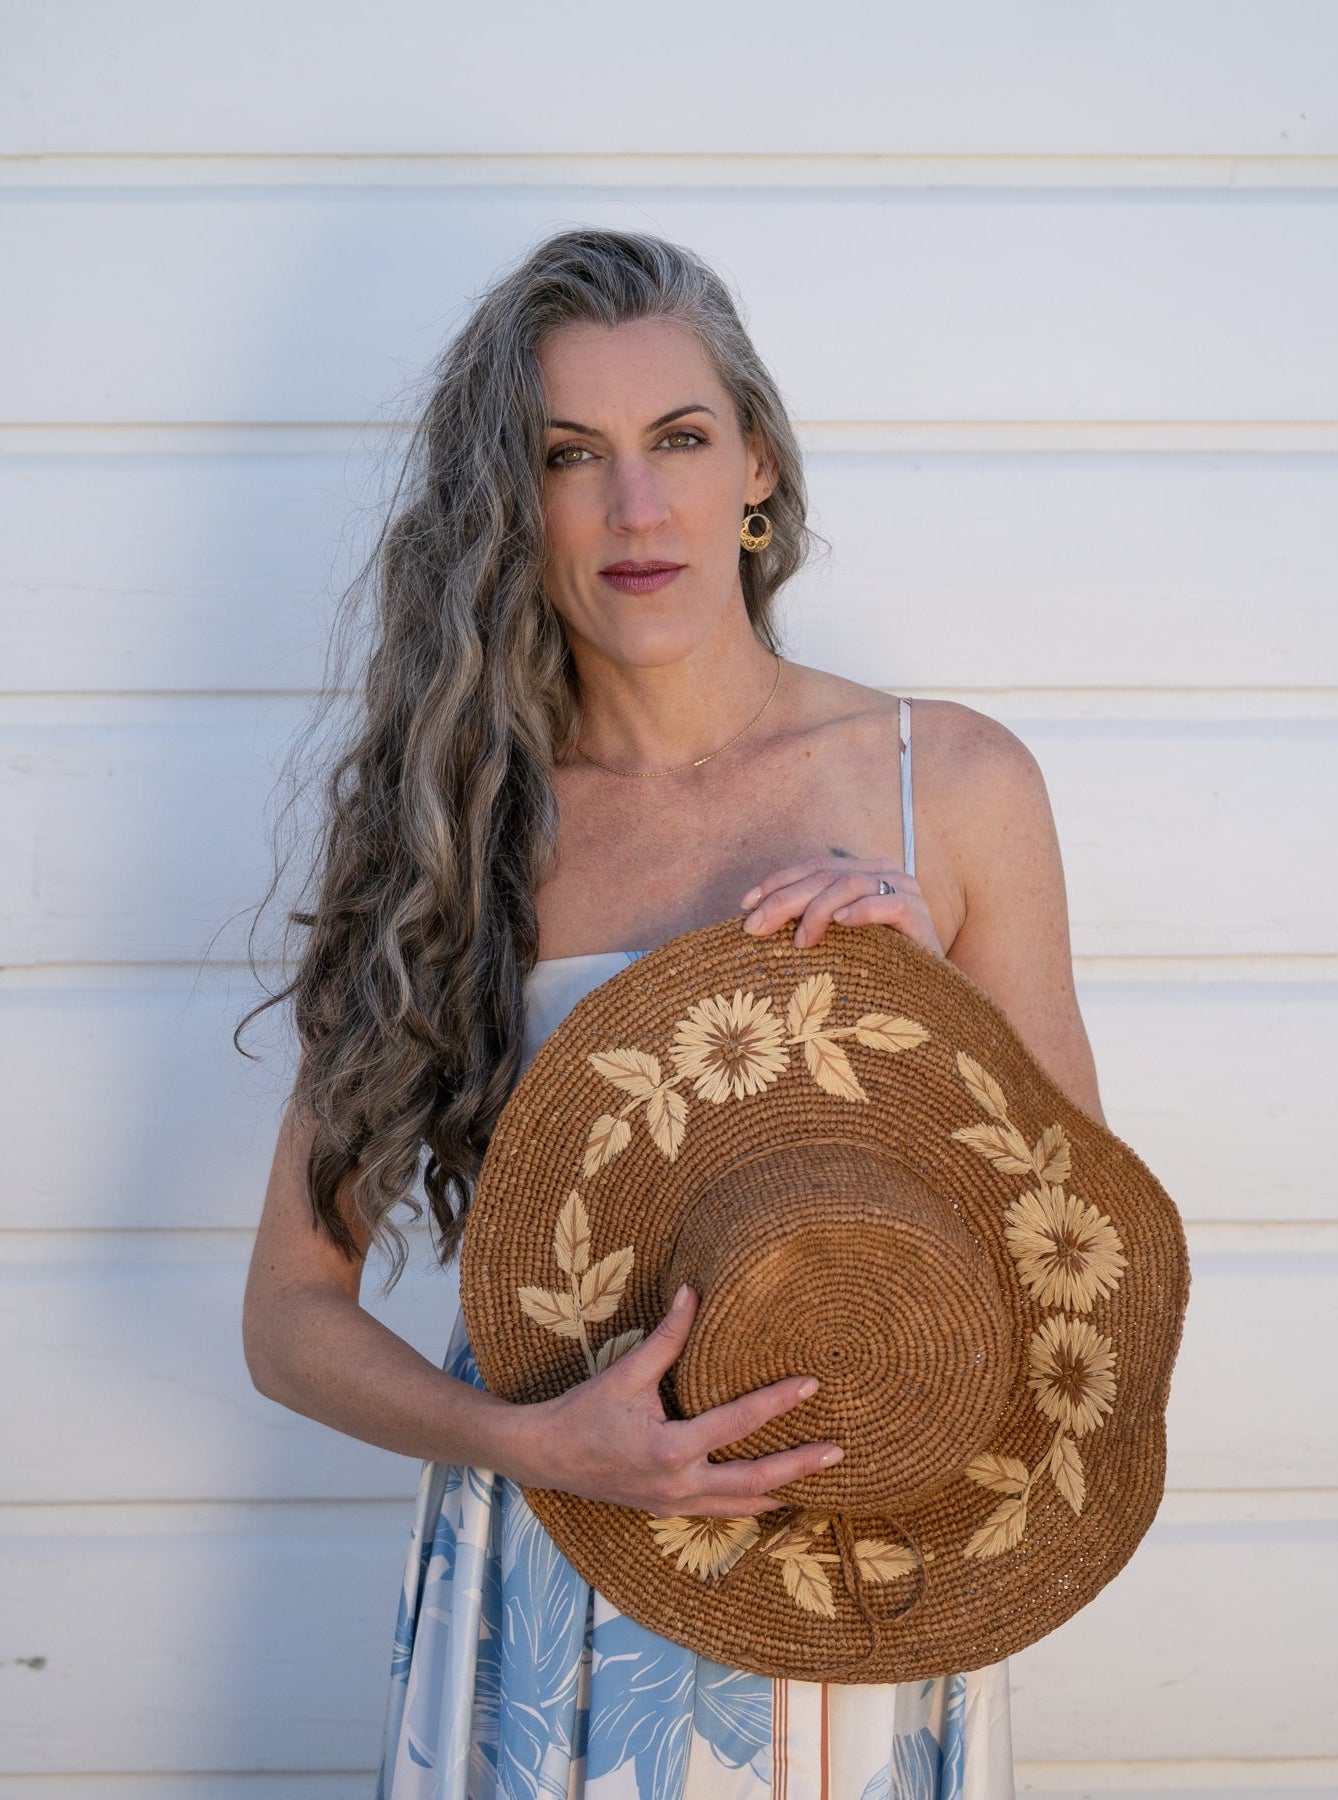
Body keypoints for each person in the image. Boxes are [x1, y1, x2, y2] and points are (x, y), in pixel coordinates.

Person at [240, 226, 1107, 1799]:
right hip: (549, 1551)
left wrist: (932, 1031)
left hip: (867, 1556)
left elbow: (1083, 1269)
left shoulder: (955, 787)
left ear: (757, 468)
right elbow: (289, 1319)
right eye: (571, 457)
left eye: (681, 440)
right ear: (513, 508)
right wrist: (534, 1446)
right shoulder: (449, 833)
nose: (637, 508)